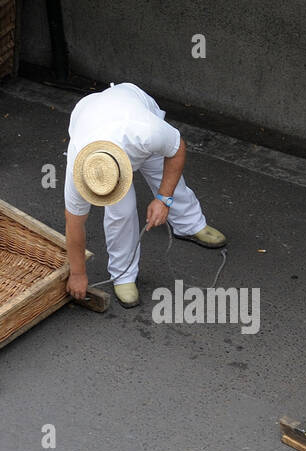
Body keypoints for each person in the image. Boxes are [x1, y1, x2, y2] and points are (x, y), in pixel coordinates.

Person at [63, 82, 226, 309]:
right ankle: (123, 275)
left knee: (167, 180)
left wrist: (163, 199)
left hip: (132, 112)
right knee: (121, 212)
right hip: (90, 115)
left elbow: (177, 150)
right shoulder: (78, 169)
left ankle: (190, 224)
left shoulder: (147, 131)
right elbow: (74, 225)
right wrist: (78, 273)